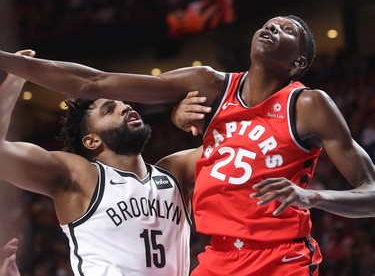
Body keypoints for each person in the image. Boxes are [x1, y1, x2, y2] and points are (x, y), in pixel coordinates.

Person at [1, 14, 375, 275]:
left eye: (287, 29)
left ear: (299, 62)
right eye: (268, 23)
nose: (273, 27)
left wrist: (317, 197)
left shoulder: (307, 104)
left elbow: (370, 193)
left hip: (280, 257)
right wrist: (12, 69)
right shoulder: (209, 85)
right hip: (218, 259)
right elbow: (96, 82)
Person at [0, 52, 202, 275]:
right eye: (109, 110)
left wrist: (187, 116)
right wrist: (17, 74)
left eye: (122, 103)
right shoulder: (80, 176)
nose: (125, 107)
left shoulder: (176, 171)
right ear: (92, 140)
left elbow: (234, 144)